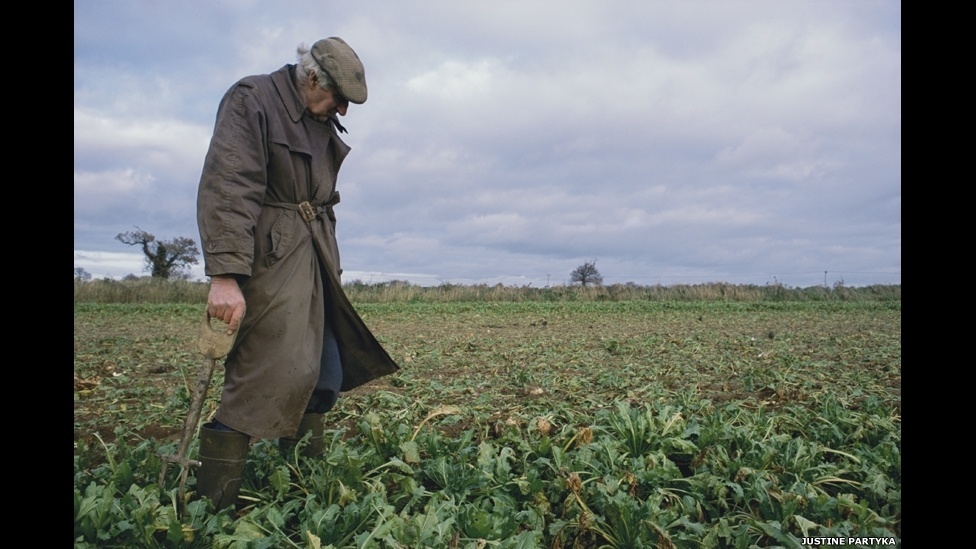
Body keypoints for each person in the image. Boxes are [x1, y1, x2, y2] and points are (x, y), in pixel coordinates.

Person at [195, 37, 399, 510]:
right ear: (311, 79)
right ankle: (215, 505)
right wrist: (225, 276)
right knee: (260, 374)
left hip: (316, 258)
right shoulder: (253, 100)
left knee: (323, 371)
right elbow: (229, 186)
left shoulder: (318, 117)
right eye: (339, 99)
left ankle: (300, 489)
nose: (343, 110)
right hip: (270, 259)